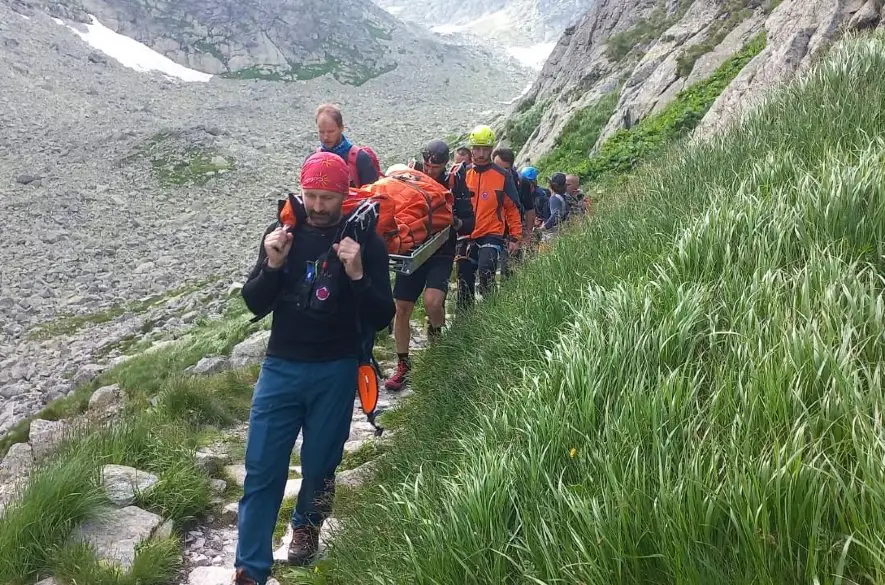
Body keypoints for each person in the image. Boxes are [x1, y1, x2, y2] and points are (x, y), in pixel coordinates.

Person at [234, 152, 395, 585]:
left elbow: (381, 314)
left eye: (327, 197)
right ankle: (250, 568)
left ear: (344, 194)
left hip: (337, 369)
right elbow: (254, 301)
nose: (318, 206)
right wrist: (272, 264)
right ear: (301, 192)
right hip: (280, 368)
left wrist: (358, 272)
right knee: (263, 467)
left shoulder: (366, 242)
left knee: (322, 462)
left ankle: (307, 525)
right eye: (310, 196)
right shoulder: (282, 234)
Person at [384, 140, 475, 391]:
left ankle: (437, 340)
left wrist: (454, 220)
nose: (431, 170)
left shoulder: (456, 183)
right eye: (428, 164)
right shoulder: (412, 177)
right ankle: (403, 364)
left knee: (433, 302)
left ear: (445, 164)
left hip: (441, 251)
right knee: (401, 307)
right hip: (413, 249)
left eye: (435, 166)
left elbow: (469, 222)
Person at [457, 125, 522, 309]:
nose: (481, 154)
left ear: (491, 149)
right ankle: (464, 322)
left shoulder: (502, 175)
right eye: (477, 148)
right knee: (464, 279)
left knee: (486, 271)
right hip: (467, 233)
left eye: (485, 149)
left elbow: (513, 208)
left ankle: (491, 312)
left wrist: (515, 236)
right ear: (471, 149)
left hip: (492, 233)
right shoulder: (463, 174)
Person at [314, 103, 380, 188]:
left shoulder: (361, 159)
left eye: (331, 131)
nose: (326, 137)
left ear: (341, 128)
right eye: (321, 132)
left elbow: (372, 197)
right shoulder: (313, 159)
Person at [493, 147, 535, 279]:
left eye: (504, 169)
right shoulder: (487, 179)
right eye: (496, 167)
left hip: (513, 230)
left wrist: (528, 234)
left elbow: (529, 209)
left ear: (511, 168)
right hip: (491, 230)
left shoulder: (522, 183)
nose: (499, 172)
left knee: (510, 268)